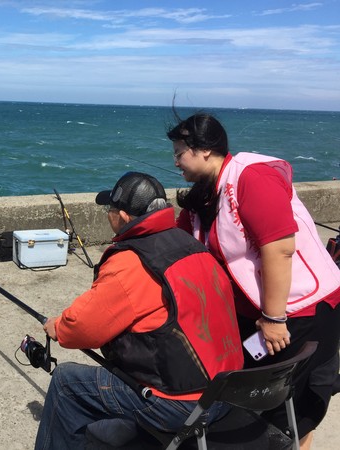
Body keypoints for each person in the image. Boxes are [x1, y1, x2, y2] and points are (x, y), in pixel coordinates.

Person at [167, 112, 340, 449]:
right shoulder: (203, 194)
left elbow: (279, 250)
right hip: (254, 317)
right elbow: (178, 242)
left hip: (301, 311)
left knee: (290, 411)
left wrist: (274, 318)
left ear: (203, 149)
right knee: (250, 405)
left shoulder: (251, 176)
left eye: (179, 153)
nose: (175, 163)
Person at [34, 172, 244, 450]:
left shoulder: (132, 262)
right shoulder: (192, 245)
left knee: (66, 382)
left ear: (121, 217)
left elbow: (82, 329)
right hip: (230, 390)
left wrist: (56, 327)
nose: (107, 214)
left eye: (109, 209)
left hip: (185, 404)